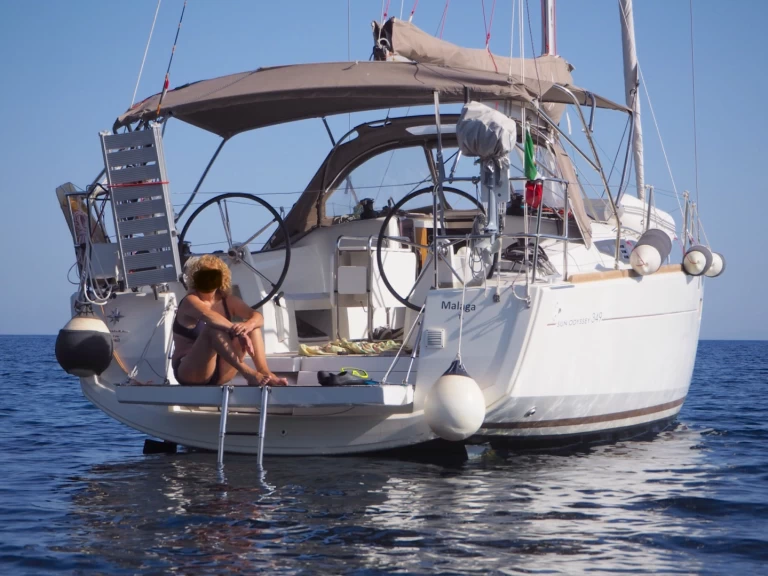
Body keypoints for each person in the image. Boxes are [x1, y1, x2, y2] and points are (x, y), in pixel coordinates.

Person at [171, 254, 288, 387]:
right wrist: (239, 332)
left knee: (252, 326)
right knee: (212, 329)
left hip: (222, 371)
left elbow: (258, 317)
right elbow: (209, 315)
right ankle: (248, 373)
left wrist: (247, 326)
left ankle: (266, 373)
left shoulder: (228, 301)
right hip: (190, 371)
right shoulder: (190, 301)